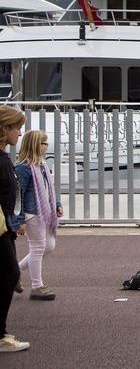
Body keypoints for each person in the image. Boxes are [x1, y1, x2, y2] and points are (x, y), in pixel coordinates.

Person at [15, 130, 62, 301]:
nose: (46, 147)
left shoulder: (42, 165)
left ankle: (15, 272)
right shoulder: (23, 168)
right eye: (44, 144)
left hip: (44, 212)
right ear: (35, 145)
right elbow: (17, 195)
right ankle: (37, 286)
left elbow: (50, 188)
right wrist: (19, 220)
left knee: (48, 246)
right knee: (37, 248)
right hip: (31, 213)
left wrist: (56, 204)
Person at [0, 107, 30, 352]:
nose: (19, 133)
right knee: (9, 275)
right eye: (16, 127)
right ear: (4, 128)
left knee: (9, 275)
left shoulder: (3, 159)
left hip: (5, 228)